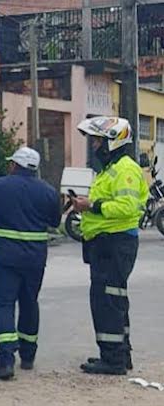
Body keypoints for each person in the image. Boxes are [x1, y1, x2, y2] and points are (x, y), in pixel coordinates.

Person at [0, 146, 62, 380]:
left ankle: (6, 360)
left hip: (4, 258)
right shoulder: (48, 191)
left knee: (4, 304)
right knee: (30, 303)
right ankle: (28, 356)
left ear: (14, 165)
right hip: (35, 258)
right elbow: (55, 221)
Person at [71, 116, 148, 375]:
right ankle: (118, 355)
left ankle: (113, 360)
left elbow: (128, 207)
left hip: (115, 243)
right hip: (106, 243)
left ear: (113, 142)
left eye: (98, 141)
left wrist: (91, 205)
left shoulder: (125, 169)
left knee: (108, 301)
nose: (94, 146)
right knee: (112, 299)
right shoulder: (109, 170)